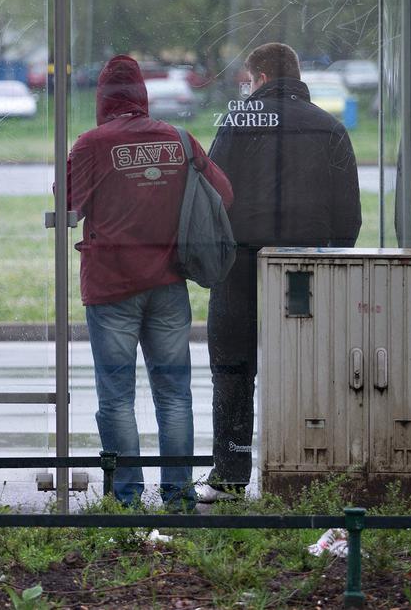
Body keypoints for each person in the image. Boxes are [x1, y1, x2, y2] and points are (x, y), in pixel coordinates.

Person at [68, 56, 233, 510]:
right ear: (142, 95)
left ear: (102, 99)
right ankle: (178, 497)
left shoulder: (91, 144)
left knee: (118, 398)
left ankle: (126, 500)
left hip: (110, 287)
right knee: (175, 394)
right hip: (168, 283)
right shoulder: (178, 138)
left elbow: (68, 205)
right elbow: (223, 193)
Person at [201, 42, 361, 502]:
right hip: (306, 271)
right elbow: (348, 213)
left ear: (262, 79)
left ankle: (229, 477)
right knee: (307, 369)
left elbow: (214, 197)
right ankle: (306, 474)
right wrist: (329, 260)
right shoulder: (329, 128)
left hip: (239, 268)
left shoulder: (237, 123)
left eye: (249, 82)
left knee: (232, 371)